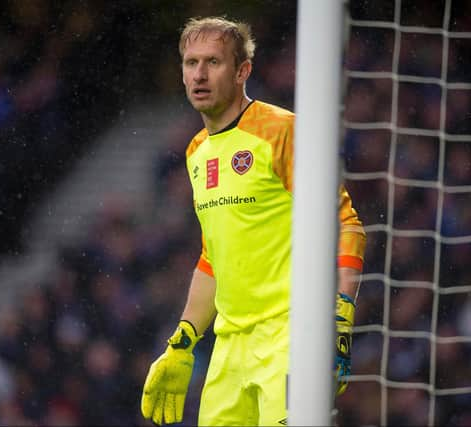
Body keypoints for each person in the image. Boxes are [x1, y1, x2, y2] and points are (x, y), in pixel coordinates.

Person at [141, 16, 366, 426]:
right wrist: (182, 342)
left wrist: (340, 315)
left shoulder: (282, 131)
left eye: (213, 62)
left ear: (243, 70)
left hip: (291, 335)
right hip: (229, 348)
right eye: (191, 63)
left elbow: (347, 224)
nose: (200, 74)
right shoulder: (196, 152)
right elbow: (214, 258)